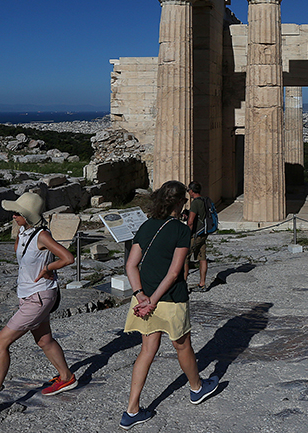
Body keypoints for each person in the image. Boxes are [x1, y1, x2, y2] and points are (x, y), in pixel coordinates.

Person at [0, 191, 77, 417]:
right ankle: (66, 377)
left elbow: (68, 258)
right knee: (44, 340)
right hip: (29, 295)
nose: (13, 216)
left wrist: (48, 269)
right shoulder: (24, 231)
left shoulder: (42, 235)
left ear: (28, 215)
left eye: (17, 213)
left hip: (39, 297)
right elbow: (22, 254)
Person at [121, 180, 219, 429]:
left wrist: (141, 295)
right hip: (170, 300)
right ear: (178, 203)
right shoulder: (181, 230)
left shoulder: (145, 227)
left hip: (143, 299)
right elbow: (175, 273)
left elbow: (131, 265)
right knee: (182, 346)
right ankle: (197, 388)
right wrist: (152, 301)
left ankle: (131, 410)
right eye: (184, 201)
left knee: (146, 351)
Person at [185, 181, 209, 292]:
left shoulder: (195, 203)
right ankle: (202, 284)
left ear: (191, 191)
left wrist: (187, 234)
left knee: (185, 258)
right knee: (202, 258)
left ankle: (183, 285)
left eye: (188, 190)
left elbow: (190, 222)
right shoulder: (205, 200)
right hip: (203, 233)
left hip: (195, 235)